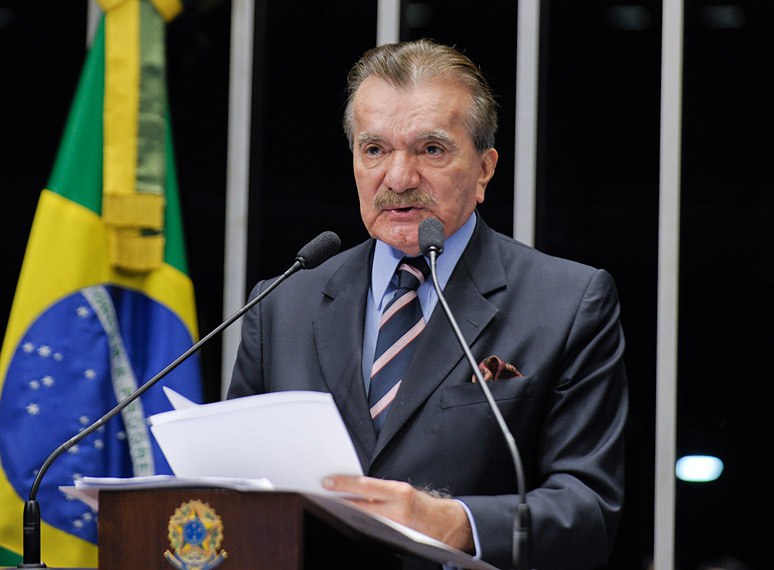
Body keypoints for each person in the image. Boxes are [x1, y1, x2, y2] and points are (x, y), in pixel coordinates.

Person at [228, 38, 628, 570]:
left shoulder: (567, 302)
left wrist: (456, 523)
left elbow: (589, 510)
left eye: (431, 149)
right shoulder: (282, 304)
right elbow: (233, 483)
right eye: (375, 150)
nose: (398, 178)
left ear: (484, 169)